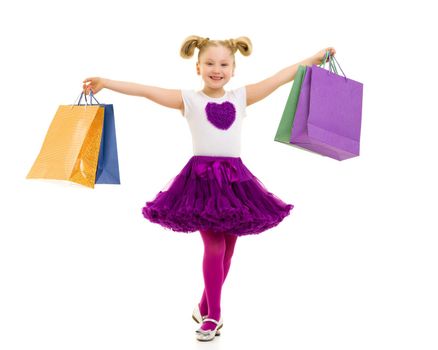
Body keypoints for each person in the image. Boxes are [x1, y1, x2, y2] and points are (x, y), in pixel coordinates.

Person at [83, 35, 336, 342]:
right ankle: (213, 315)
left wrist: (316, 56)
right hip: (201, 182)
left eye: (224, 64)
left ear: (233, 69)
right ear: (198, 67)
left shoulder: (240, 97)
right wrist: (107, 82)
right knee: (214, 247)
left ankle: (203, 304)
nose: (217, 70)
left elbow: (281, 77)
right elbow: (146, 91)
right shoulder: (189, 100)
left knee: (228, 250)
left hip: (235, 182)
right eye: (210, 64)